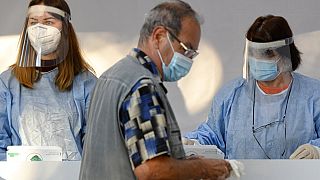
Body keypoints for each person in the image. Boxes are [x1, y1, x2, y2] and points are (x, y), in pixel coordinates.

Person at [79, 1, 239, 179]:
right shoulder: (142, 86)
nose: (189, 60)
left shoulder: (112, 77)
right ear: (159, 36)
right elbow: (151, 171)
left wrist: (182, 161)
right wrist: (202, 167)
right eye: (186, 50)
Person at [184, 15, 320, 159]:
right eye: (253, 53)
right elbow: (212, 135)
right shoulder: (231, 95)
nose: (257, 59)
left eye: (266, 53)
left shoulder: (313, 95)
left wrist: (317, 150)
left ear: (285, 53)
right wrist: (193, 143)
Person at [0, 0, 97, 161]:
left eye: (48, 22)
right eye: (33, 22)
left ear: (65, 27)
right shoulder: (7, 83)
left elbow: (95, 144)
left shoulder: (86, 83)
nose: (39, 29)